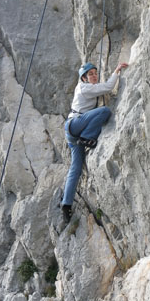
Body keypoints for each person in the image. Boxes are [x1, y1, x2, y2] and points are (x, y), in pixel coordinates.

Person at [61, 61, 128, 223]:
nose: (94, 76)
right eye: (90, 74)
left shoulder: (87, 87)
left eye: (95, 73)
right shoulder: (84, 87)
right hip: (75, 125)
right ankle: (87, 138)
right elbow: (107, 87)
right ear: (83, 78)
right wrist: (117, 71)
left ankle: (66, 204)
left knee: (76, 168)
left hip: (72, 131)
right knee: (104, 111)